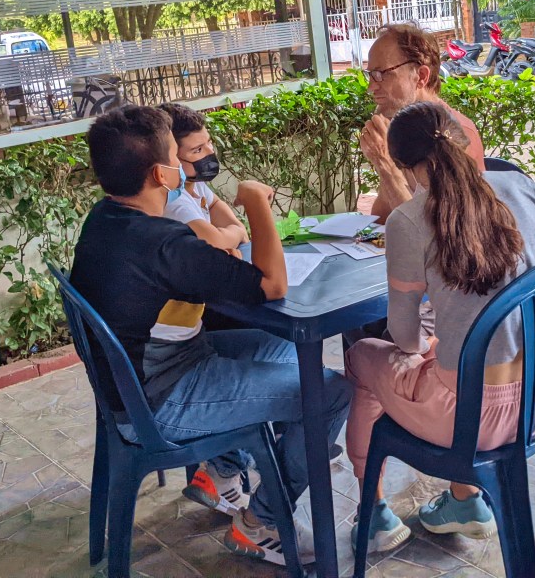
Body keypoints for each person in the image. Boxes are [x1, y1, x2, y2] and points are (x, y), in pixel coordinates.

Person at [69, 105, 351, 567]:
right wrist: (258, 204)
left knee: (285, 348)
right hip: (161, 401)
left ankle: (245, 466)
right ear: (163, 173)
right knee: (332, 392)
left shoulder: (105, 220)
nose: (189, 167)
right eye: (178, 159)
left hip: (144, 379)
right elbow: (272, 285)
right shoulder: (166, 243)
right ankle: (262, 522)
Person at [344, 102, 535, 552]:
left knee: (362, 357)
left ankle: (375, 515)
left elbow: (406, 338)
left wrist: (431, 340)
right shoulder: (521, 186)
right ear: (464, 143)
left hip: (470, 420)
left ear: (405, 167)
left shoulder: (408, 220)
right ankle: (464, 499)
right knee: (446, 355)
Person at [360, 23, 486, 223]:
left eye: (381, 74)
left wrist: (385, 163)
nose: (371, 87)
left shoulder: (455, 135)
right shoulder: (402, 132)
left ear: (421, 76)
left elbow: (440, 235)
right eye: (370, 75)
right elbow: (382, 218)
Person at [158, 102, 247, 251]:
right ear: (171, 156)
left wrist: (233, 234)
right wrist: (237, 232)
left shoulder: (194, 183)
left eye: (209, 142)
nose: (210, 152)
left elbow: (214, 205)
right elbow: (217, 242)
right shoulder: (172, 199)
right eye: (197, 150)